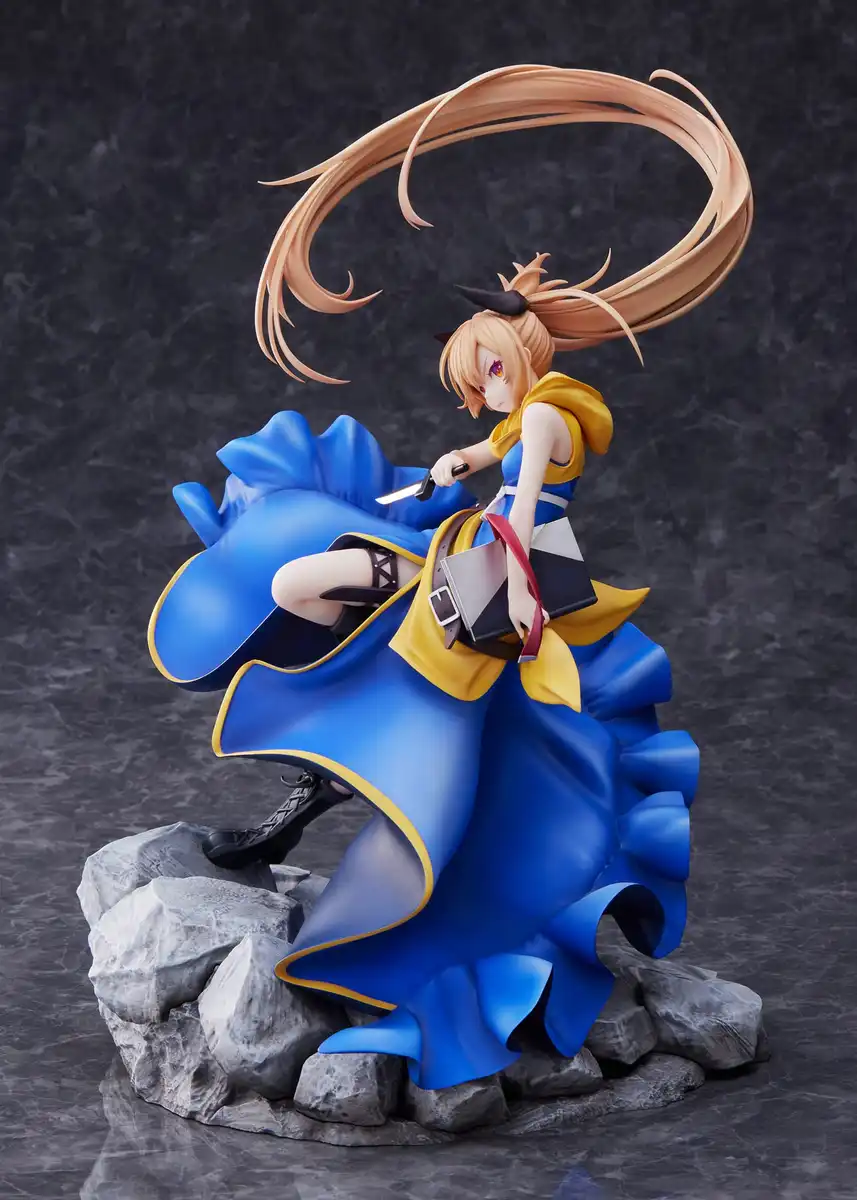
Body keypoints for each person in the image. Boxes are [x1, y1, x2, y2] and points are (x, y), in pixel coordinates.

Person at [147, 64, 751, 1089]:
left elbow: (525, 496)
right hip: (478, 549)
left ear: (514, 348)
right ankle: (339, 742)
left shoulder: (547, 417)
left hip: (503, 565)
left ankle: (401, 836)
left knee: (389, 651)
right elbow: (490, 457)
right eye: (472, 381)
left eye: (484, 370)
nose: (479, 390)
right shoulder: (525, 417)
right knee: (315, 592)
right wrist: (449, 466)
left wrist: (502, 566)